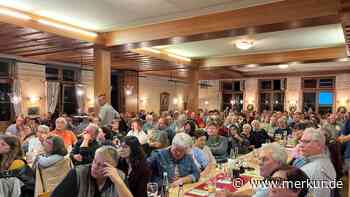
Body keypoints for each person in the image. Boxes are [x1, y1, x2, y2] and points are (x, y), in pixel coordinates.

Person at [52, 146, 132, 197]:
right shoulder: (78, 173)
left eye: (103, 165)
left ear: (113, 167)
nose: (95, 167)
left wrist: (119, 183)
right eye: (94, 161)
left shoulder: (120, 176)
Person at [216, 143, 288, 197]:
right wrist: (232, 194)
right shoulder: (275, 175)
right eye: (260, 159)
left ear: (279, 163)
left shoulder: (274, 185)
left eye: (265, 159)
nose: (259, 163)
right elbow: (254, 191)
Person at [296, 128, 336, 197]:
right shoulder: (326, 161)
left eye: (307, 142)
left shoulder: (314, 169)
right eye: (301, 141)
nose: (301, 145)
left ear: (319, 146)